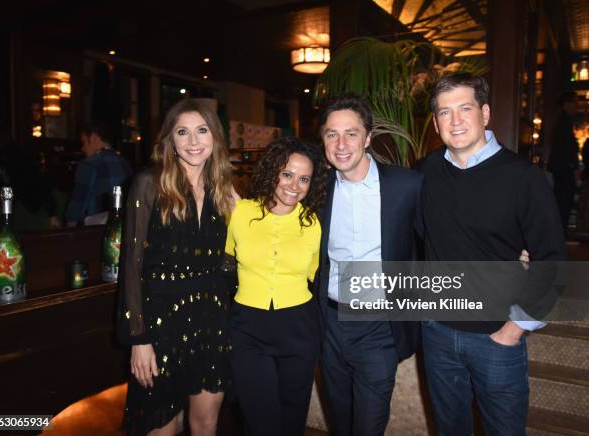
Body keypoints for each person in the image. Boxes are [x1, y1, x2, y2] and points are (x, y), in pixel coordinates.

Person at [420, 72, 567, 435]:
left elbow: (553, 263)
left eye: (464, 108)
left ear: (485, 113)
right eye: (444, 112)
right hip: (437, 333)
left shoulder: (524, 179)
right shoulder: (427, 172)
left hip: (496, 338)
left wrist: (513, 330)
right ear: (436, 121)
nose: (454, 121)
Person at [117, 99, 238, 436]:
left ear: (215, 137)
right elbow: (131, 266)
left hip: (212, 319)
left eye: (202, 131)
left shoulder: (223, 189)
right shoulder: (149, 183)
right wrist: (139, 340)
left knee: (206, 424)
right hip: (161, 323)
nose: (194, 141)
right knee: (162, 427)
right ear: (170, 140)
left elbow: (233, 259)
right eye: (182, 132)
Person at [314, 93, 423, 435]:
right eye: (332, 134)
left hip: (378, 325)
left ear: (368, 137)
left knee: (368, 425)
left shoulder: (406, 185)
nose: (341, 143)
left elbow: (438, 238)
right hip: (330, 322)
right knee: (340, 421)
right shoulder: (317, 189)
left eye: (351, 133)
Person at [225, 137, 328, 436]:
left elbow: (316, 275)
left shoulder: (313, 224)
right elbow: (226, 263)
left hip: (298, 328)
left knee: (292, 420)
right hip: (248, 329)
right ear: (272, 172)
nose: (294, 185)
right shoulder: (240, 214)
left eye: (304, 178)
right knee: (259, 421)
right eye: (287, 174)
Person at [66, 121, 132, 225]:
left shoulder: (88, 165)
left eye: (83, 143)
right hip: (123, 228)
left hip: (95, 233)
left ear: (93, 137)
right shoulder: (125, 163)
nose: (82, 149)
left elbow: (76, 210)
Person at [548, 91, 580, 235]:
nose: (577, 106)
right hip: (564, 167)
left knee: (561, 199)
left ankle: (560, 233)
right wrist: (574, 167)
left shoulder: (560, 119)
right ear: (567, 104)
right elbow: (568, 147)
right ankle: (561, 234)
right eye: (575, 102)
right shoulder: (564, 121)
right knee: (564, 200)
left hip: (560, 167)